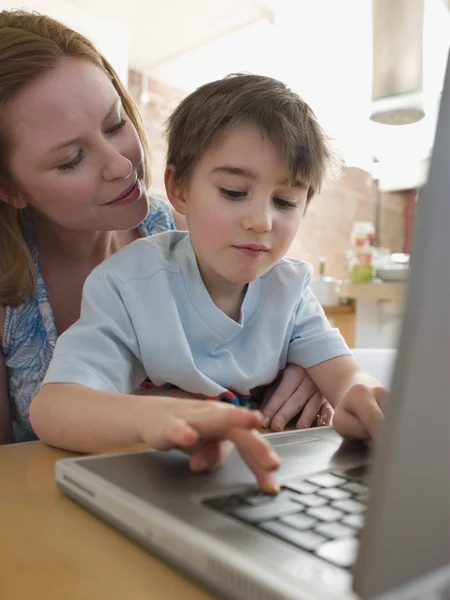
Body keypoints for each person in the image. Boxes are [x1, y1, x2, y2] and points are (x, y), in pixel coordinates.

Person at [0, 11, 330, 491]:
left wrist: (309, 363)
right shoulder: (12, 295)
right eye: (72, 159)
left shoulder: (191, 232)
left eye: (114, 125)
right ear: (10, 187)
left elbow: (281, 313)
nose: (120, 166)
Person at [30, 74, 387, 492]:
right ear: (178, 188)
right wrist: (156, 420)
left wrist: (359, 397)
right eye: (234, 191)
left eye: (285, 201)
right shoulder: (131, 283)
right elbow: (53, 408)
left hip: (263, 482)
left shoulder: (288, 289)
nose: (262, 220)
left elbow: (347, 379)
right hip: (159, 485)